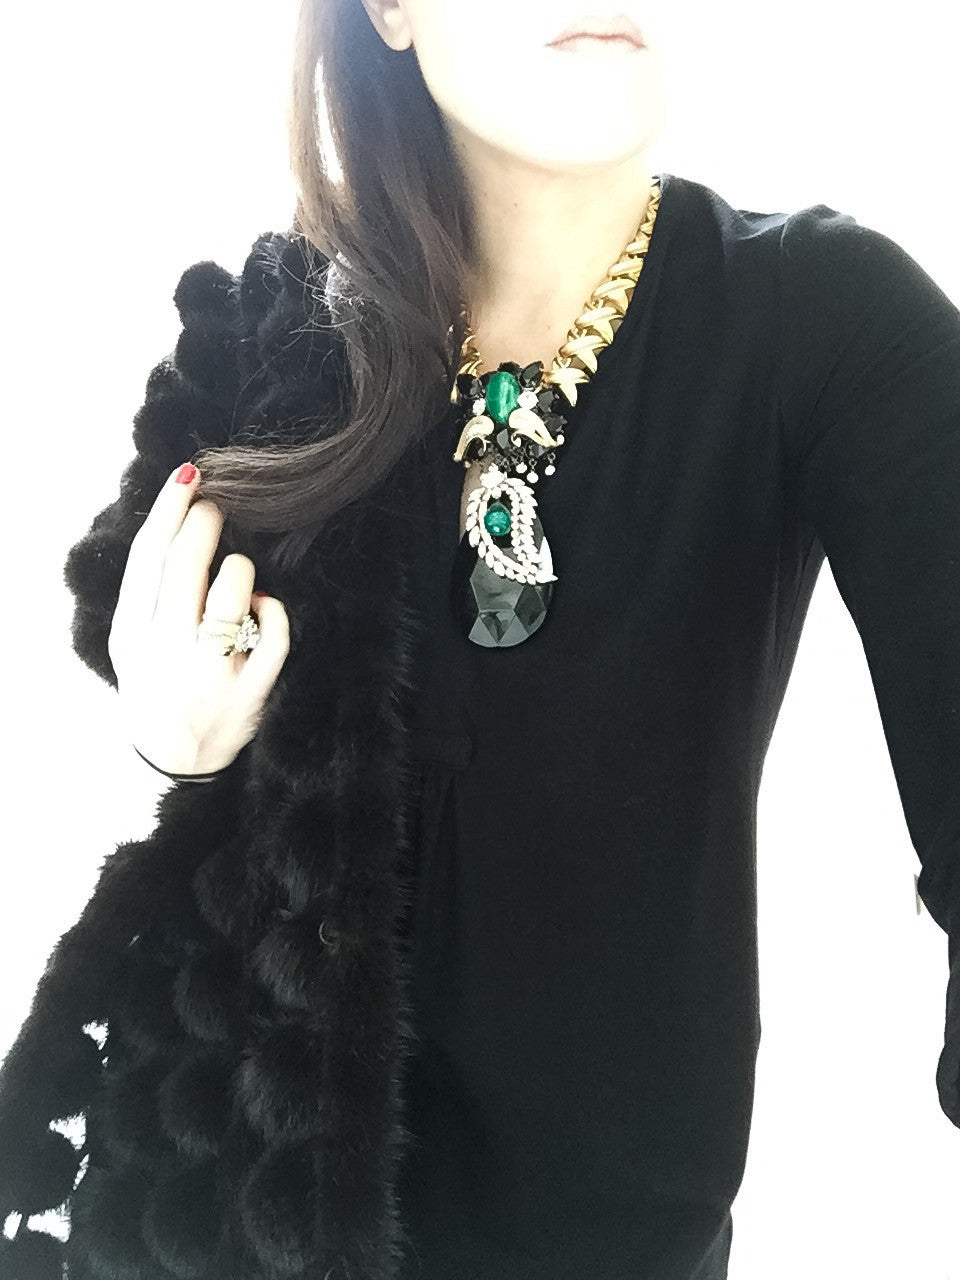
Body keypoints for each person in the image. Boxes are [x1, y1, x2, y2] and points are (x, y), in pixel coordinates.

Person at [0, 2, 957, 1278]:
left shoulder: (824, 318)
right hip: (228, 1207)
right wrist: (176, 735)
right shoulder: (273, 336)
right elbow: (153, 678)